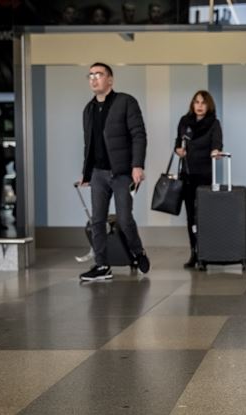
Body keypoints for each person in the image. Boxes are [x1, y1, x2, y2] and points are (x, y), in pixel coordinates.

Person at [79, 62, 150, 281]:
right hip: (98, 174)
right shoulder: (88, 109)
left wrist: (137, 165)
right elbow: (89, 144)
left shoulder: (126, 102)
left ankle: (138, 251)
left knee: (124, 219)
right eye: (90, 75)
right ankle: (102, 266)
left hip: (122, 173)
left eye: (98, 74)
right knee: (97, 221)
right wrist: (86, 172)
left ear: (110, 79)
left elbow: (139, 135)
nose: (94, 78)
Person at [175, 90, 223, 269]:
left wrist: (215, 151)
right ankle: (194, 253)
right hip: (187, 175)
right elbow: (178, 143)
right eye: (196, 102)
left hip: (204, 175)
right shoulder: (184, 121)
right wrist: (178, 150)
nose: (199, 106)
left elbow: (217, 143)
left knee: (204, 215)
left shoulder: (214, 123)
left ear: (208, 105)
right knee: (191, 217)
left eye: (203, 102)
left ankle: (206, 253)